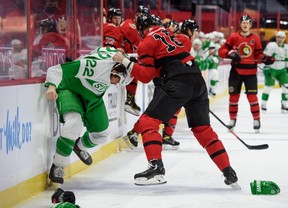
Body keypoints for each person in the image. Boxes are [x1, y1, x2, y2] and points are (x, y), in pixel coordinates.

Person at [113, 14, 238, 187]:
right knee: (203, 129)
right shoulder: (169, 34)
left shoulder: (145, 42)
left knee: (148, 121)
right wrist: (133, 57)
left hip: (178, 82)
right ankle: (228, 171)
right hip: (197, 80)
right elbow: (164, 56)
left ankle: (156, 167)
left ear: (141, 29)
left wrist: (125, 61)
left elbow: (146, 75)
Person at [45, 47, 132, 184]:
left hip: (93, 98)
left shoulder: (120, 65)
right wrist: (51, 87)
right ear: (114, 70)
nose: (114, 83)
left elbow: (101, 49)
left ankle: (78, 146)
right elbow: (55, 70)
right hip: (70, 89)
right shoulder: (93, 66)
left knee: (102, 134)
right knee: (74, 124)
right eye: (116, 78)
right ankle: (58, 165)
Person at [218, 15, 275, 133]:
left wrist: (266, 59)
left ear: (250, 25)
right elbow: (222, 51)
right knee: (233, 98)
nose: (245, 25)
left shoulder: (255, 38)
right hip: (236, 72)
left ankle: (256, 120)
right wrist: (230, 54)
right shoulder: (233, 36)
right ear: (240, 24)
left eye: (247, 23)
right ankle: (232, 120)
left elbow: (258, 55)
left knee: (252, 98)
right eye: (243, 22)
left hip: (250, 73)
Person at [119, 5, 150, 116]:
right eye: (140, 14)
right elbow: (121, 43)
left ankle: (130, 98)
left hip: (126, 55)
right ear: (136, 14)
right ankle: (129, 99)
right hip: (120, 56)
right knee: (134, 69)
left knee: (136, 69)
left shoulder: (139, 29)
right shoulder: (130, 25)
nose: (142, 17)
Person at [261, 31, 288, 113]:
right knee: (268, 87)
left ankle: (284, 104)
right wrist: (266, 68)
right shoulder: (271, 46)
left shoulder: (286, 47)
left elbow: (286, 59)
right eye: (278, 37)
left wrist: (287, 68)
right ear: (276, 38)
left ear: (284, 38)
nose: (280, 39)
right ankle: (263, 104)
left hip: (282, 70)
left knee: (286, 87)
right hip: (272, 69)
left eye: (282, 37)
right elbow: (265, 57)